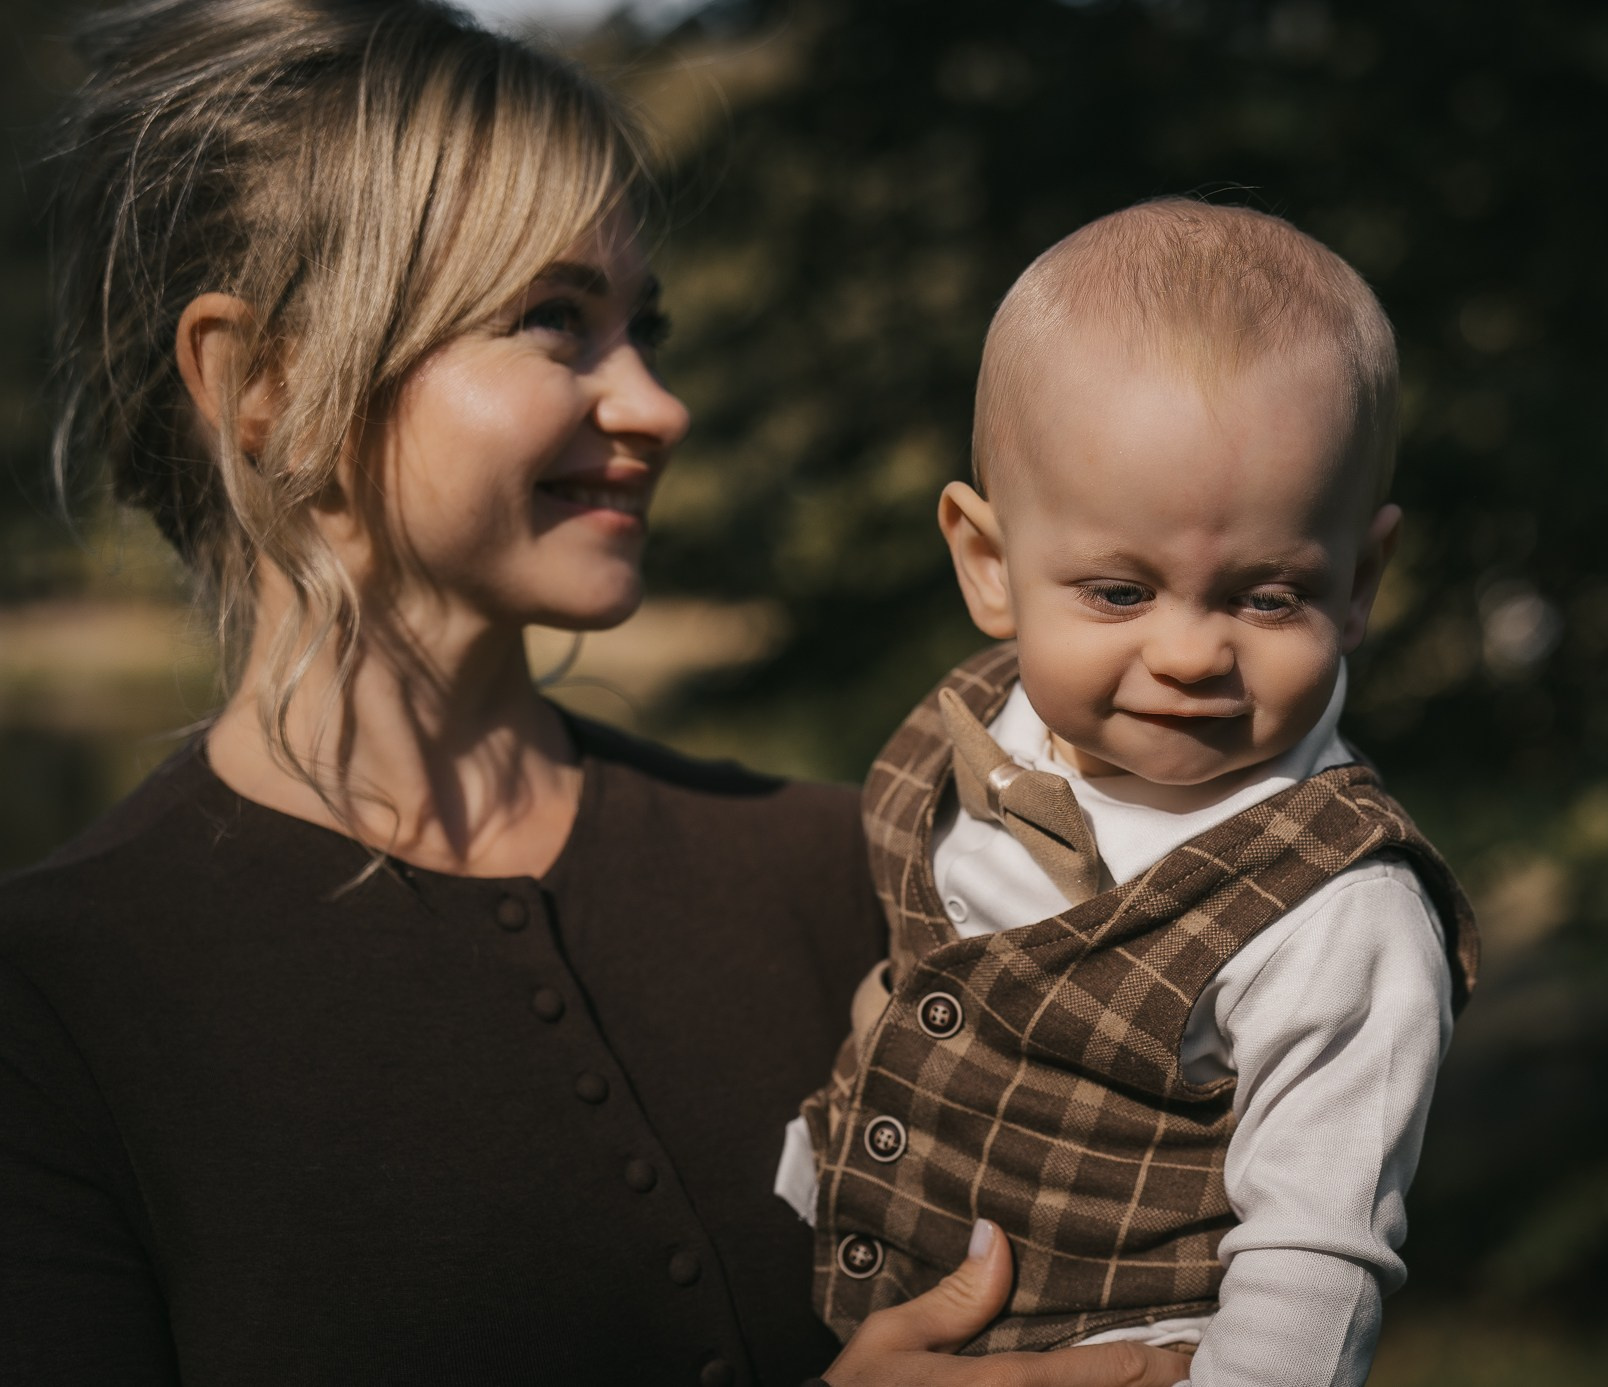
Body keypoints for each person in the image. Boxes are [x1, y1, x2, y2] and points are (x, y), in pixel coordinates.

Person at [0, 3, 1191, 1385]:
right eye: (555, 321)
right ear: (262, 383)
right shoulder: (57, 1007)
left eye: (646, 326)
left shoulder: (852, 868)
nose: (659, 403)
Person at [781, 200, 1482, 1384]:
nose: (1191, 654)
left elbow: (1317, 1258)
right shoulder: (981, 727)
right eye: (1117, 593)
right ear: (989, 564)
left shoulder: (1334, 912)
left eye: (1267, 598)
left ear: (1360, 579)